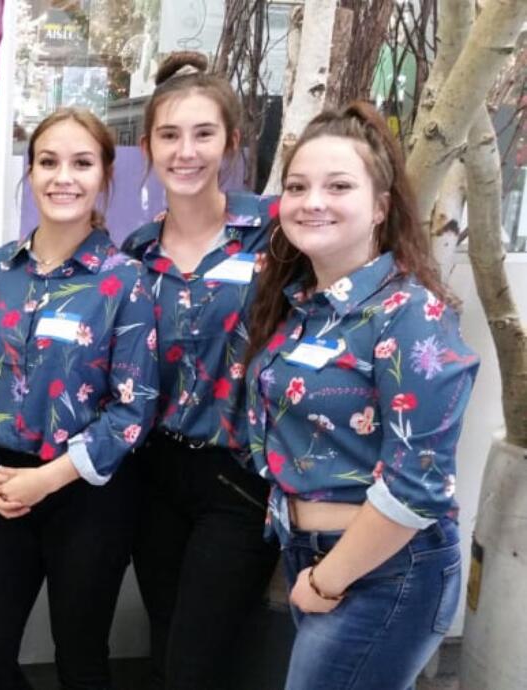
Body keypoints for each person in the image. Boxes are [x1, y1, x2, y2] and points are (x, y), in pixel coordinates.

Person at [244, 101, 478, 689]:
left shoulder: (410, 314)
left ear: (379, 207)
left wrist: (326, 581)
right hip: (315, 555)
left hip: (387, 569)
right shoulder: (300, 308)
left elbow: (416, 486)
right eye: (297, 186)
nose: (312, 201)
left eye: (338, 185)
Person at [0, 106, 158, 690]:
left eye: (81, 163)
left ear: (103, 177)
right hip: (6, 488)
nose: (62, 177)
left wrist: (48, 479)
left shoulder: (125, 280)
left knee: (81, 661)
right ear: (30, 171)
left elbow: (132, 408)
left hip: (88, 494)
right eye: (48, 161)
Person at [120, 52, 280, 689]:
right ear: (148, 147)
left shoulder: (274, 233)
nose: (186, 152)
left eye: (203, 133)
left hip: (237, 477)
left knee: (199, 660)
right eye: (169, 135)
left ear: (232, 142)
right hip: (153, 473)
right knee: (164, 642)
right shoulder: (134, 252)